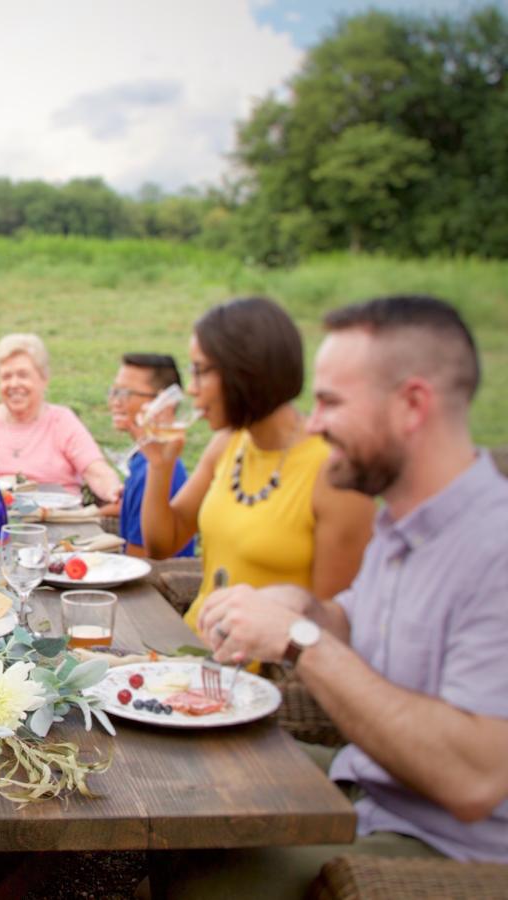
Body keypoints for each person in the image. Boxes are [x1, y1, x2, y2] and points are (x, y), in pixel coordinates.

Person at [161, 295, 508, 898]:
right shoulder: (407, 521)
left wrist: (301, 639)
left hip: (438, 845)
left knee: (196, 864)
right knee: (172, 784)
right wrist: (303, 605)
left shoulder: (494, 548)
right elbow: (354, 625)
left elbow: (474, 780)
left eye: (332, 402)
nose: (313, 423)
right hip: (366, 778)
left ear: (413, 406)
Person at [139, 297, 374, 635]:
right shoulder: (229, 443)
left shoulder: (334, 474)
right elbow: (162, 544)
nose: (191, 388)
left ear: (245, 370)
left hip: (258, 675)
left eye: (201, 371)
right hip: (191, 650)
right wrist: (160, 467)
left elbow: (333, 628)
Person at [0, 333, 123, 502]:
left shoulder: (61, 421)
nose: (14, 384)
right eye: (6, 376)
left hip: (60, 520)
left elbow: (96, 471)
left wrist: (114, 491)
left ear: (44, 378)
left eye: (23, 375)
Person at [109, 353, 195, 558]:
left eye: (126, 393)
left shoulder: (155, 469)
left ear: (165, 402)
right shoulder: (141, 461)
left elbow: (138, 564)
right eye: (114, 391)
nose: (115, 401)